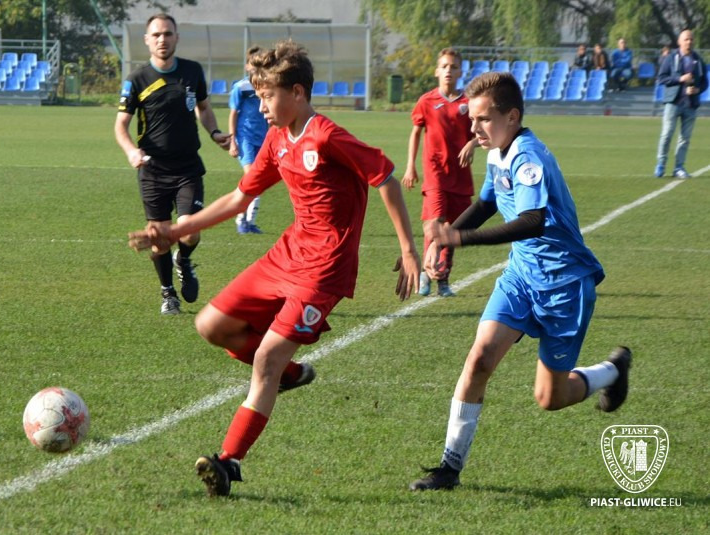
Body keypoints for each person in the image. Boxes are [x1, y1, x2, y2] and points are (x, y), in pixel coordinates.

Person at [128, 40, 421, 497]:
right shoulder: (277, 139)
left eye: (267, 96)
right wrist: (175, 229)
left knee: (265, 358)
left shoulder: (326, 136)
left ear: (297, 93)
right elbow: (239, 198)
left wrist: (408, 249)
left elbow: (383, 175)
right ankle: (290, 374)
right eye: (258, 96)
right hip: (287, 255)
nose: (260, 106)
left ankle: (228, 462)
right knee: (211, 325)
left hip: (324, 269)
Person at [408, 72, 632, 492]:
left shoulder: (528, 157)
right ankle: (448, 469)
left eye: (483, 120)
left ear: (512, 117)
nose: (474, 129)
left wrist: (459, 238)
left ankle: (611, 371)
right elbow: (487, 202)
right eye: (472, 120)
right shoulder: (497, 151)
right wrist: (444, 238)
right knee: (479, 360)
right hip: (520, 277)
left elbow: (532, 221)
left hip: (564, 284)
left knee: (551, 398)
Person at [115, 14, 232, 315]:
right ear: (147, 40)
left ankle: (184, 259)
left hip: (187, 167)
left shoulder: (192, 71)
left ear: (177, 37)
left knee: (190, 232)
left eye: (167, 34)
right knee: (159, 238)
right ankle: (168, 293)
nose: (162, 40)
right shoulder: (137, 79)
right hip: (153, 171)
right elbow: (120, 125)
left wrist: (215, 132)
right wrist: (131, 151)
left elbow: (203, 108)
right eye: (156, 35)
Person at [402, 48, 477, 298]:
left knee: (452, 228)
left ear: (460, 72)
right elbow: (415, 133)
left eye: (453, 67)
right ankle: (427, 272)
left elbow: (481, 132)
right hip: (435, 174)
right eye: (444, 66)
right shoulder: (426, 101)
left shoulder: (469, 103)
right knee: (434, 222)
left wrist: (472, 144)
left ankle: (443, 278)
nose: (448, 71)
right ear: (437, 71)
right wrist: (410, 165)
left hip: (460, 176)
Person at [654, 29, 707, 179]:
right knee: (666, 134)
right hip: (673, 103)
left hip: (691, 104)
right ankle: (661, 164)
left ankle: (679, 167)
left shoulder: (698, 60)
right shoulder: (671, 58)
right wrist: (680, 79)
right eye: (686, 39)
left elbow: (705, 82)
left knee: (685, 138)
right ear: (679, 42)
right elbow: (661, 78)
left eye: (691, 39)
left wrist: (697, 90)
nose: (689, 42)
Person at [228, 46, 270, 234]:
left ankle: (248, 221)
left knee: (257, 180)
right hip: (245, 138)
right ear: (247, 66)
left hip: (262, 138)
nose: (256, 68)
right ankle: (243, 221)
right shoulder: (241, 87)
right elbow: (233, 113)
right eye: (253, 64)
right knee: (252, 177)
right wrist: (232, 141)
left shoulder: (267, 86)